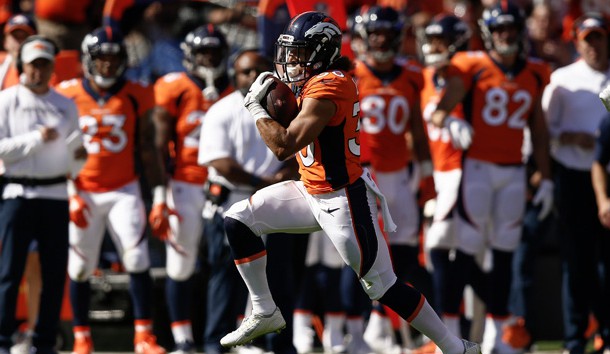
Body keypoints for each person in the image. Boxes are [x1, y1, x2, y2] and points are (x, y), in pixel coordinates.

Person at [217, 11, 481, 354]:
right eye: (290, 51)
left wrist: (256, 108)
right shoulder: (311, 82)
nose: (291, 60)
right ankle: (264, 309)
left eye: (300, 52)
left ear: (321, 51)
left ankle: (455, 346)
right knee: (238, 219)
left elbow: (283, 145)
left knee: (383, 286)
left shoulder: (333, 84)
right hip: (308, 190)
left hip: (343, 199)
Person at [430, 2, 553, 354]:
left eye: (511, 30)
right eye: (500, 30)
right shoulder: (472, 66)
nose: (506, 36)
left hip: (513, 172)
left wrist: (544, 176)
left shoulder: (534, 72)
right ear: (488, 33)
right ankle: (449, 335)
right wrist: (451, 119)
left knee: (504, 255)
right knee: (464, 251)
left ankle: (500, 337)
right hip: (477, 171)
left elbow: (539, 130)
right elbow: (439, 113)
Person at [55, 26, 167, 354]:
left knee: (136, 258)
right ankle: (81, 337)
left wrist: (159, 196)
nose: (107, 65)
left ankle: (144, 336)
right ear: (89, 60)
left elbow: (149, 147)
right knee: (78, 267)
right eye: (101, 58)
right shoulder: (67, 92)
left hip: (123, 189)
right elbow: (59, 150)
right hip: (82, 189)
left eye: (113, 57)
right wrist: (69, 191)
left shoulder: (137, 92)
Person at [198, 48, 300, 354]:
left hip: (275, 204)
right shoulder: (222, 109)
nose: (253, 76)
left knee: (279, 277)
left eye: (259, 69)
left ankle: (280, 344)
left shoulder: (285, 108)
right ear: (234, 75)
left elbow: (299, 152)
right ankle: (216, 343)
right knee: (225, 278)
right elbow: (219, 162)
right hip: (233, 202)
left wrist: (282, 176)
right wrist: (262, 182)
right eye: (245, 71)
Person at [351, 6, 433, 353]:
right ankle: (373, 326)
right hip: (364, 172)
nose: (381, 40)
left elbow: (416, 124)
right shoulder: (353, 74)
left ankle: (400, 325)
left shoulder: (412, 76)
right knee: (367, 250)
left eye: (386, 34)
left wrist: (427, 173)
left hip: (401, 173)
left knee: (403, 253)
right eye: (375, 34)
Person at [151, 24, 232, 354]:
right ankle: (183, 338)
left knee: (232, 262)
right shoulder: (174, 87)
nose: (210, 60)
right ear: (189, 56)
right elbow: (158, 145)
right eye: (203, 54)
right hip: (184, 182)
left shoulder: (236, 89)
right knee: (180, 263)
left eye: (215, 53)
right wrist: (159, 195)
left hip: (226, 185)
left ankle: (232, 332)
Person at [0, 35, 82, 354]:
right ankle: (3, 340)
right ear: (23, 66)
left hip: (55, 194)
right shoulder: (6, 100)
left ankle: (44, 341)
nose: (38, 71)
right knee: (10, 271)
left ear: (51, 68)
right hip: (16, 193)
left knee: (53, 272)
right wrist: (35, 139)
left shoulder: (65, 104)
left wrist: (79, 157)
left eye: (44, 65)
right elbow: (2, 150)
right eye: (34, 65)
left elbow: (75, 154)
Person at [542, 12, 610, 354]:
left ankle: (607, 333)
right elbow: (543, 131)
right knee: (576, 261)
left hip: (608, 181)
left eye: (598, 37)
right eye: (588, 39)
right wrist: (569, 137)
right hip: (573, 175)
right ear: (577, 42)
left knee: (604, 263)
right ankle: (574, 337)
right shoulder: (563, 79)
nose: (594, 45)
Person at [418, 12, 471, 343]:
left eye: (442, 40)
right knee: (437, 253)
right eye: (432, 39)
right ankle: (452, 328)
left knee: (442, 249)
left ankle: (448, 333)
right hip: (434, 173)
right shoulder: (422, 77)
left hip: (462, 173)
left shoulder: (468, 75)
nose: (435, 46)